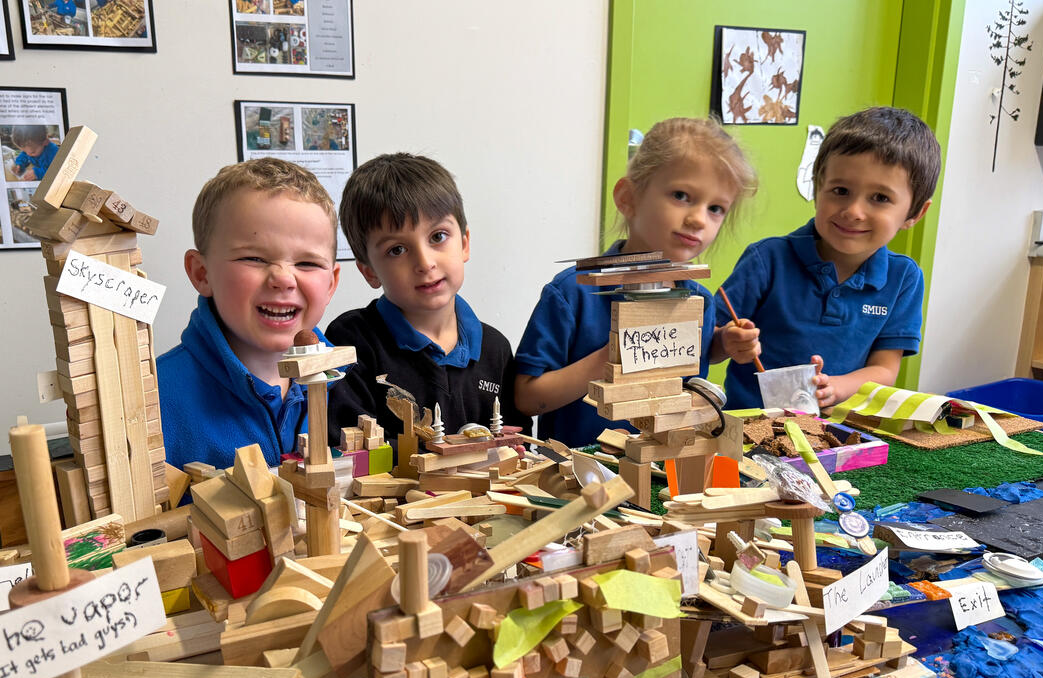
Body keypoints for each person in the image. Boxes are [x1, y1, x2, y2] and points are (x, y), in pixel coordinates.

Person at [514, 117, 758, 446]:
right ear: (628, 198)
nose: (699, 218)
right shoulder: (572, 294)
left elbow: (690, 369)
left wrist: (720, 344)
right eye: (682, 195)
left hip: (667, 475)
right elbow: (527, 399)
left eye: (716, 208)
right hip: (577, 479)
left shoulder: (699, 299)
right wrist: (609, 360)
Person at [714, 106, 939, 410]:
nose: (854, 211)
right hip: (747, 432)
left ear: (914, 213)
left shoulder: (904, 278)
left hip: (836, 438)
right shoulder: (766, 260)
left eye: (880, 198)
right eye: (841, 190)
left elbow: (886, 369)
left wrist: (837, 387)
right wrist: (728, 341)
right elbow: (708, 344)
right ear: (818, 186)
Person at [326, 153, 524, 443]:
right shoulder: (351, 342)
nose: (425, 262)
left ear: (465, 243)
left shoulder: (496, 349)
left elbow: (517, 437)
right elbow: (347, 451)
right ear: (369, 271)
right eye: (397, 250)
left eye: (438, 236)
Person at [158, 158, 340, 470]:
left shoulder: (348, 382)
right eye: (254, 258)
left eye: (307, 263)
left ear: (331, 283)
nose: (283, 278)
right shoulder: (151, 400)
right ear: (202, 273)